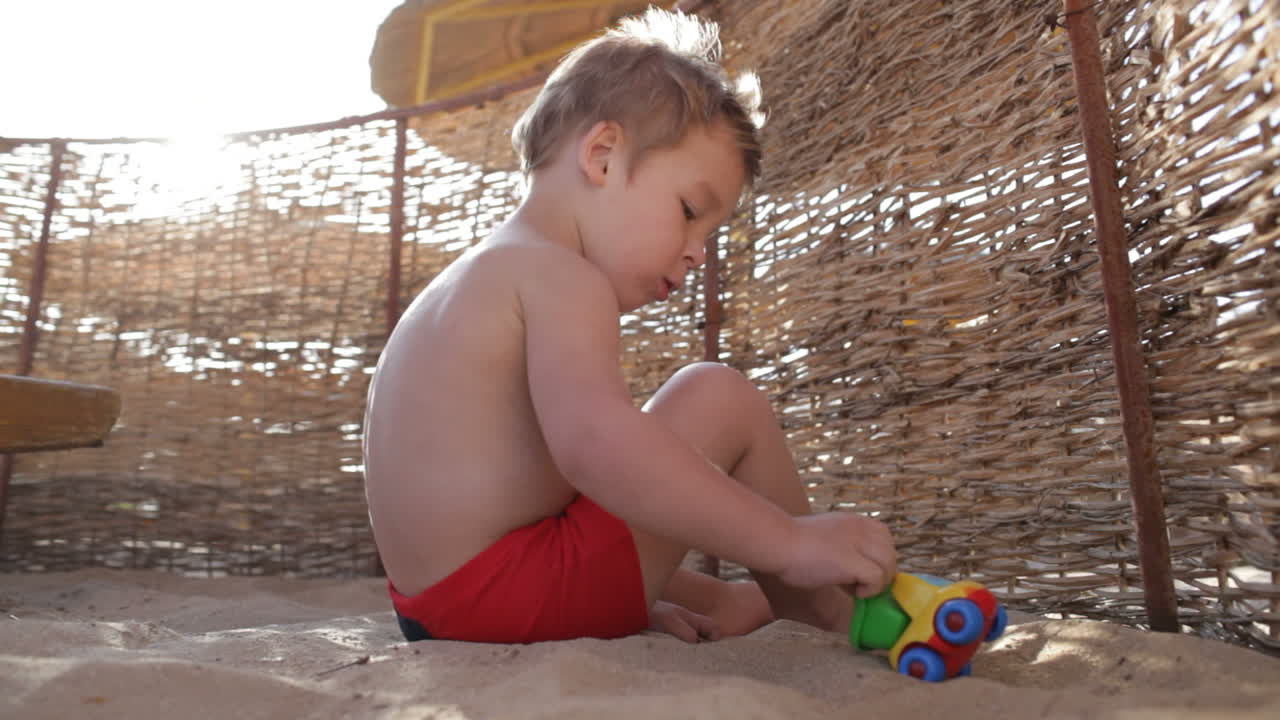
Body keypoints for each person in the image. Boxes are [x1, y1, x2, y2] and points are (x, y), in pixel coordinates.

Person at [362, 6, 897, 645]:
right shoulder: (560, 275)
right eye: (690, 210)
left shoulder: (478, 277)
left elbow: (531, 495)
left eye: (710, 233)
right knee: (717, 397)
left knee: (630, 462)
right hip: (512, 601)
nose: (698, 250)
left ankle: (725, 602)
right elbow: (596, 447)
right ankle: (830, 610)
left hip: (435, 607)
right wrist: (785, 541)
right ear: (604, 155)